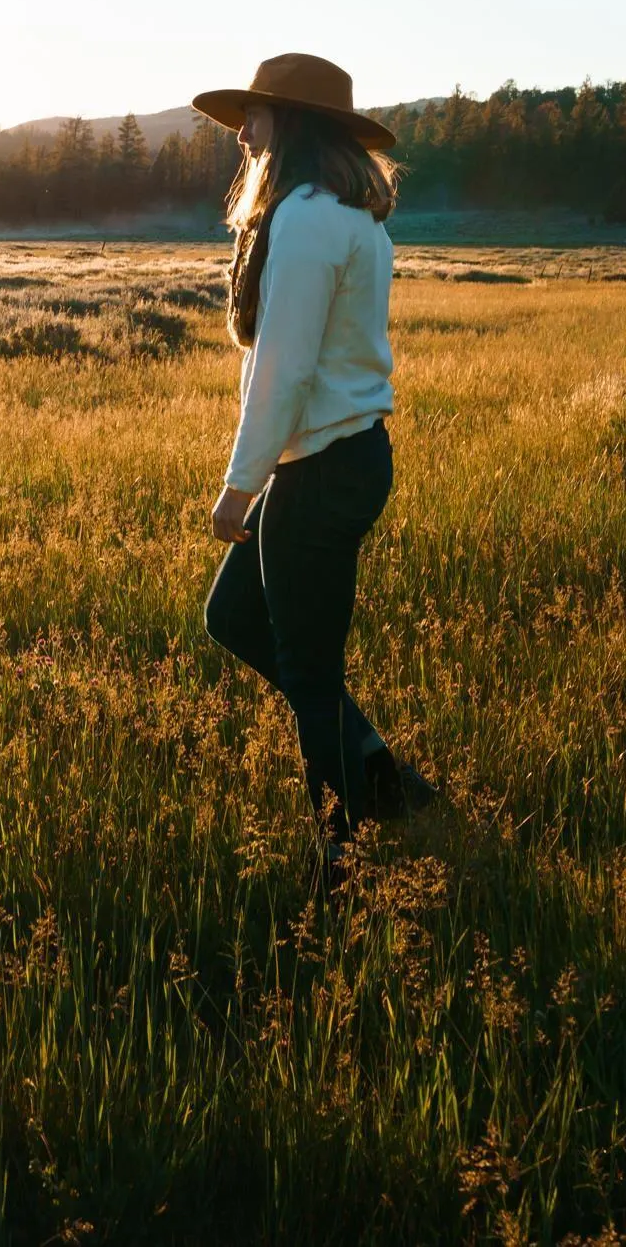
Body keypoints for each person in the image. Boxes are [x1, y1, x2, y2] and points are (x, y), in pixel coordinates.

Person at [193, 53, 434, 878]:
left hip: (320, 467)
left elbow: (284, 369)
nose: (243, 129)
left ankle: (348, 854)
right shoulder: (353, 218)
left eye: (256, 113)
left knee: (309, 668)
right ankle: (376, 772)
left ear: (290, 122)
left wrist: (239, 484)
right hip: (349, 457)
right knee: (234, 617)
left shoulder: (302, 217)